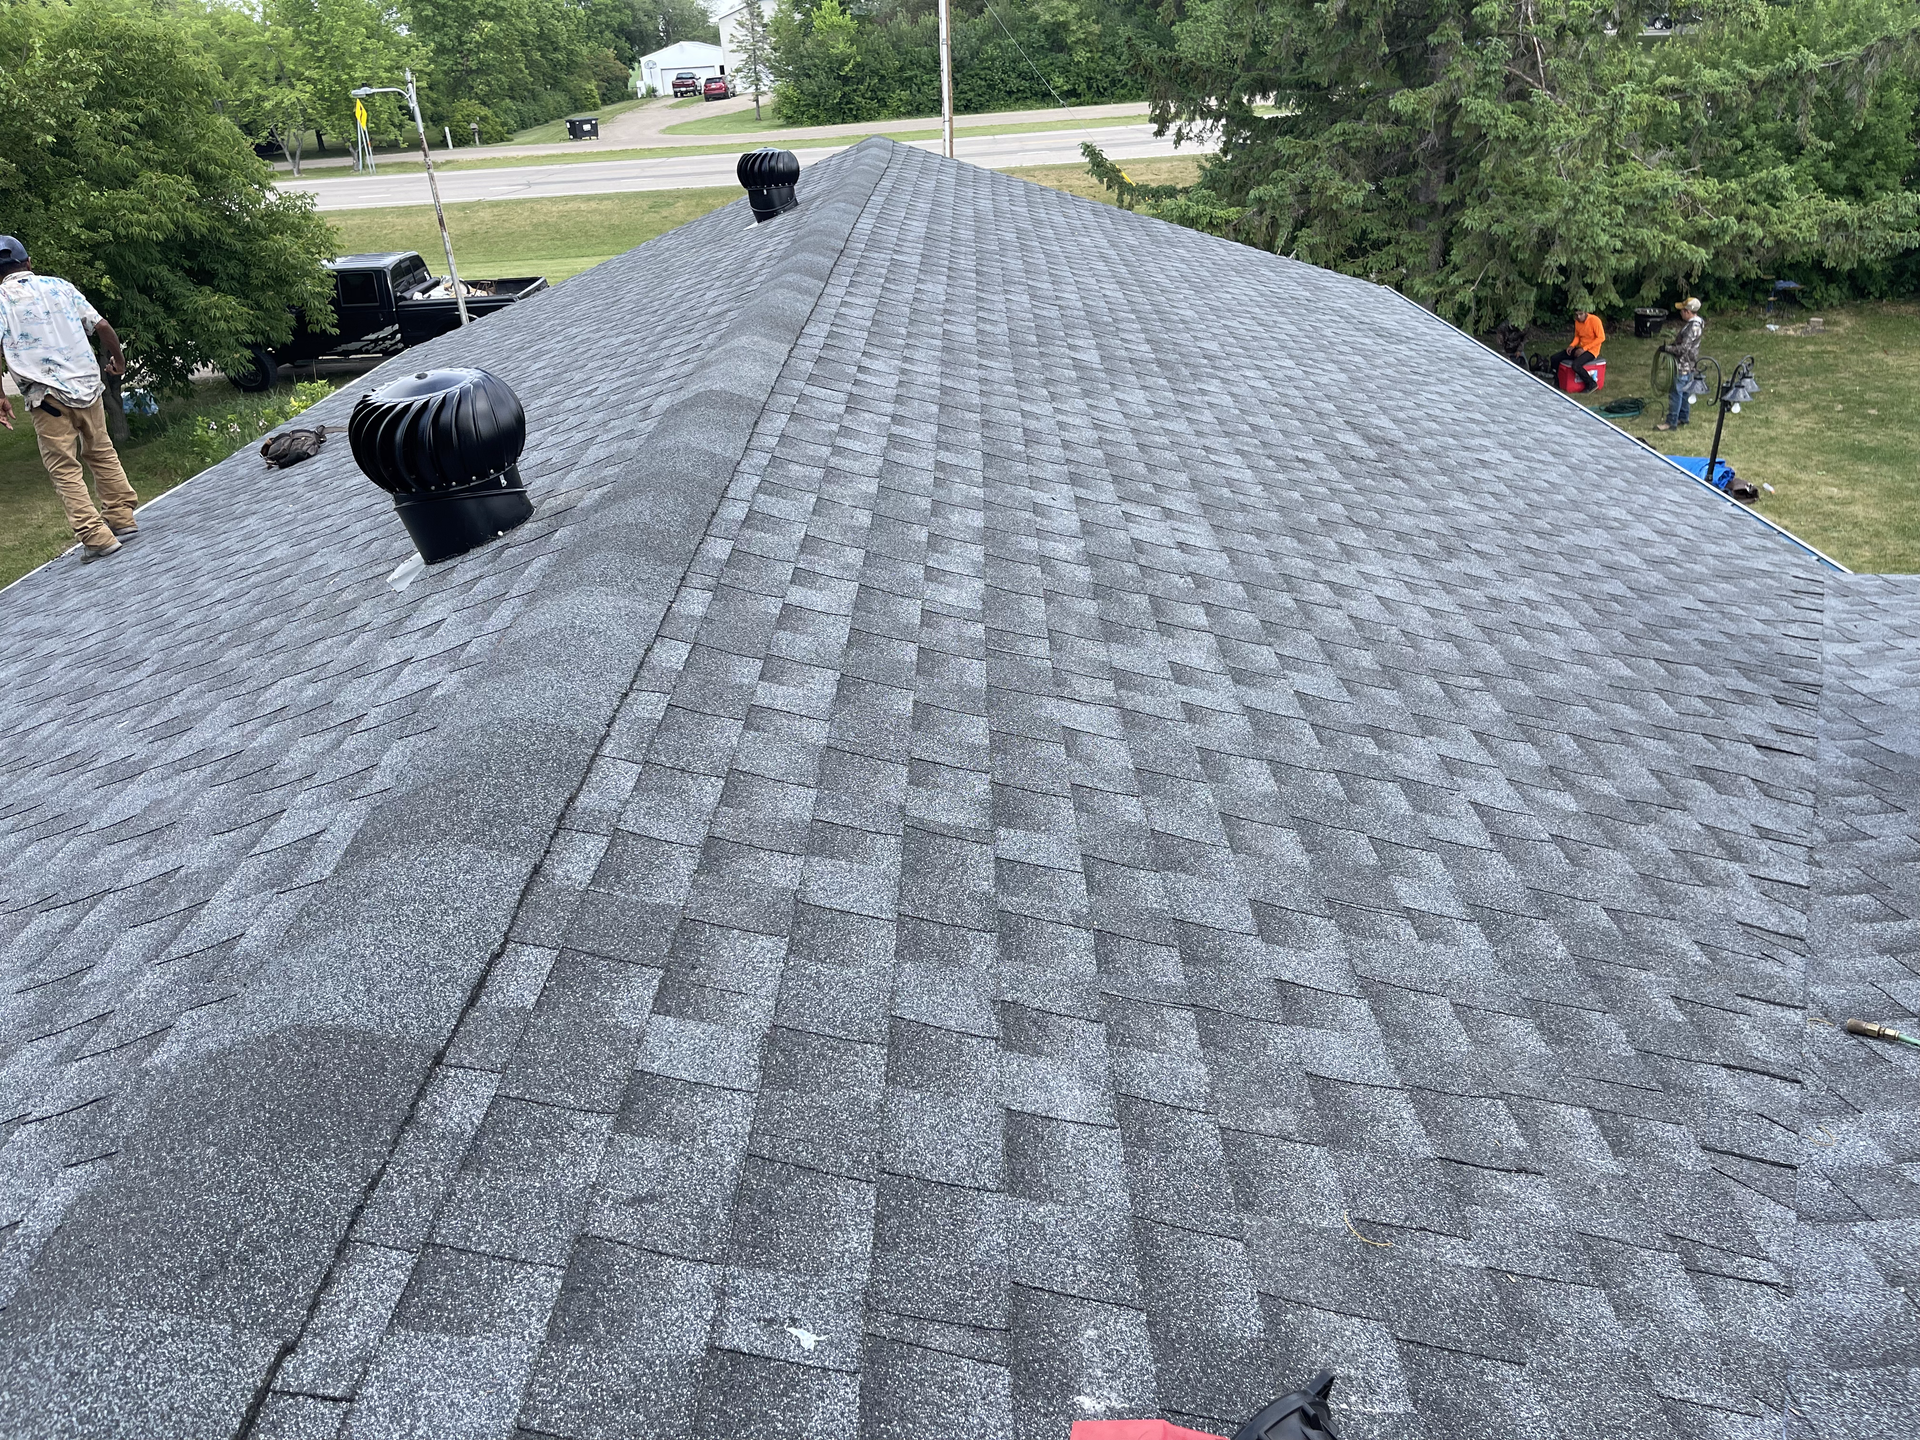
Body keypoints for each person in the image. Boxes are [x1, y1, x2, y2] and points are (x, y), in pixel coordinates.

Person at [0, 235, 139, 561]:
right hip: (88, 386)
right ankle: (122, 518)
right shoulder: (59, 286)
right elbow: (102, 326)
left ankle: (95, 537)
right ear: (28, 263)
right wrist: (118, 360)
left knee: (64, 467)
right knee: (101, 451)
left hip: (47, 397)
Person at [1655, 298, 1705, 431]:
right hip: (1691, 364)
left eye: (1682, 311)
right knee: (1685, 392)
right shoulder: (1699, 324)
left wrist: (1666, 349)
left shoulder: (1690, 328)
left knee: (1676, 393)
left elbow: (1683, 349)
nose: (1680, 313)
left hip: (1682, 366)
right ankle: (1683, 417)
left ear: (1688, 311)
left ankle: (1671, 422)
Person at [1546, 307, 1606, 391]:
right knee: (1555, 358)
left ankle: (1591, 383)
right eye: (1576, 315)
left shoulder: (1595, 320)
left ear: (1585, 313)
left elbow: (1601, 338)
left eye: (1581, 314)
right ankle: (1558, 379)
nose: (1579, 317)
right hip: (1580, 348)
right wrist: (1572, 345)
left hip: (1592, 350)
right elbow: (1577, 336)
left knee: (1576, 365)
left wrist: (1584, 349)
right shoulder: (1577, 321)